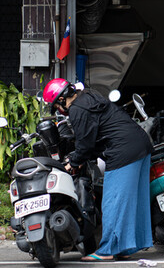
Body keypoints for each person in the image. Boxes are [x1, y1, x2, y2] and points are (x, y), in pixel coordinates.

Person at [42, 78, 153, 262]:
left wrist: (73, 162)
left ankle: (107, 250)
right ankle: (126, 247)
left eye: (57, 106)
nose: (59, 110)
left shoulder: (77, 109)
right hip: (139, 143)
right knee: (134, 200)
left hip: (123, 150)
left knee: (113, 202)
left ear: (61, 100)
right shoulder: (88, 95)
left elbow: (85, 144)